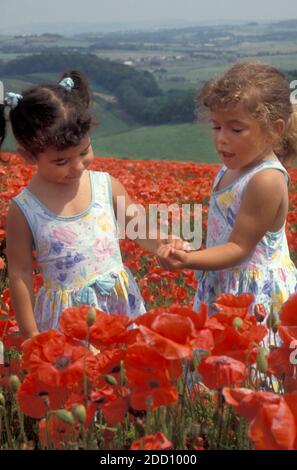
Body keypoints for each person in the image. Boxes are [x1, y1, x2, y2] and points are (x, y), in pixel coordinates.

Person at [1, 70, 180, 340]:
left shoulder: (107, 186)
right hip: (66, 318)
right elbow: (20, 273)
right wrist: (30, 333)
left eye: (84, 152)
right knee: (78, 379)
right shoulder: (24, 209)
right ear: (28, 155)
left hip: (120, 305)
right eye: (61, 161)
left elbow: (140, 230)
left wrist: (164, 244)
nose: (77, 167)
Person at [157, 61, 297, 319]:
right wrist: (183, 245)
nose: (222, 138)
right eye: (216, 126)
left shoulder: (265, 179)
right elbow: (222, 233)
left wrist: (188, 260)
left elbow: (238, 248)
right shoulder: (232, 168)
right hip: (225, 283)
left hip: (254, 299)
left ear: (274, 130)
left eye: (236, 129)